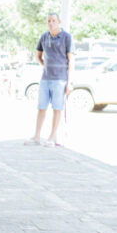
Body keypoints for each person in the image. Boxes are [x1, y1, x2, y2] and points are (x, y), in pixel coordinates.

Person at [26, 13, 73, 147]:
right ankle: (36, 136)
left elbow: (71, 61)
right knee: (41, 107)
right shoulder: (44, 37)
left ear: (59, 21)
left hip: (60, 79)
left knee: (57, 108)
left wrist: (69, 82)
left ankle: (51, 138)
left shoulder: (66, 37)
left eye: (53, 21)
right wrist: (45, 66)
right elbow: (38, 56)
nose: (51, 23)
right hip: (45, 78)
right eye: (49, 21)